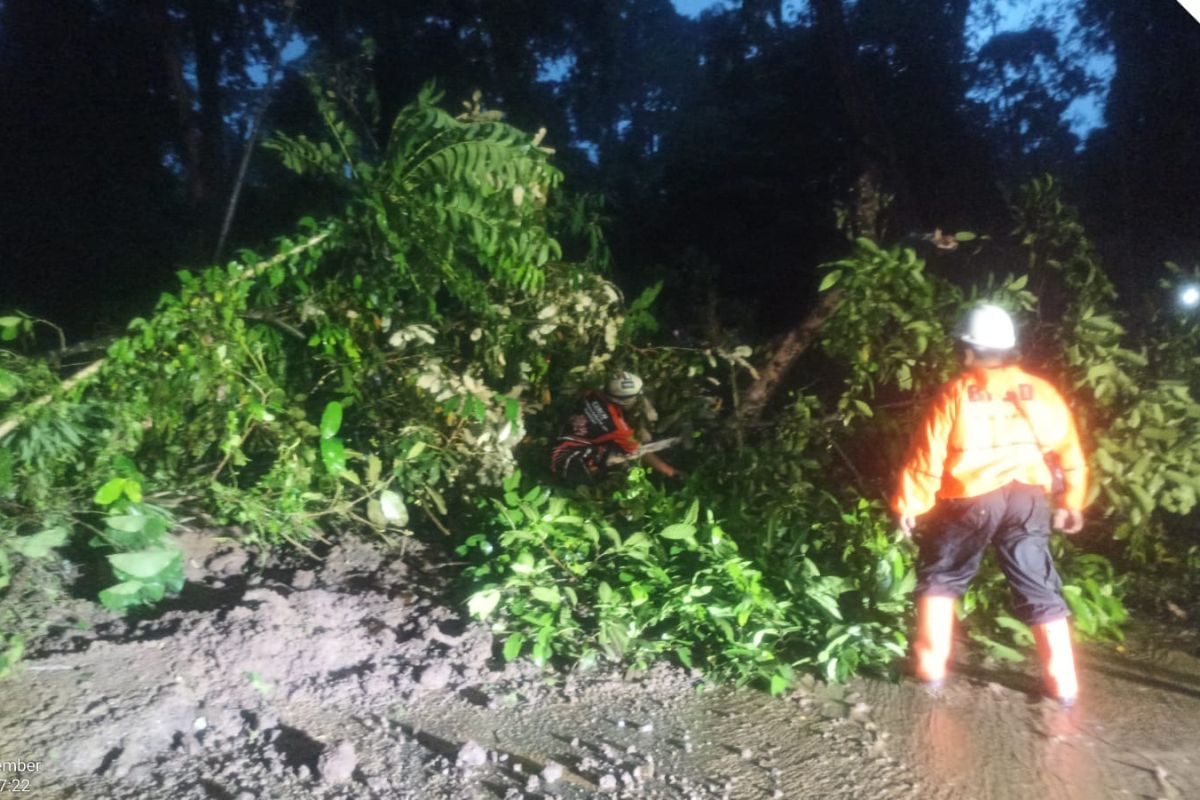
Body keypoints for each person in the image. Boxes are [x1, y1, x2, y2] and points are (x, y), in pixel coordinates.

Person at [892, 304, 1088, 705]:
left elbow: (925, 458)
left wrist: (910, 504)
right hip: (1028, 498)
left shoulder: (956, 394)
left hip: (971, 498)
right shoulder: (1043, 392)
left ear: (966, 350)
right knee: (1037, 583)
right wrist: (1072, 500)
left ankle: (930, 670)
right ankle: (1064, 686)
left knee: (943, 577)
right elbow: (1069, 449)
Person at [550, 371, 680, 484]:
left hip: (561, 435)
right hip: (567, 459)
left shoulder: (592, 393)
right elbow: (641, 451)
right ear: (624, 400)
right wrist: (670, 471)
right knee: (624, 455)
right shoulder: (619, 428)